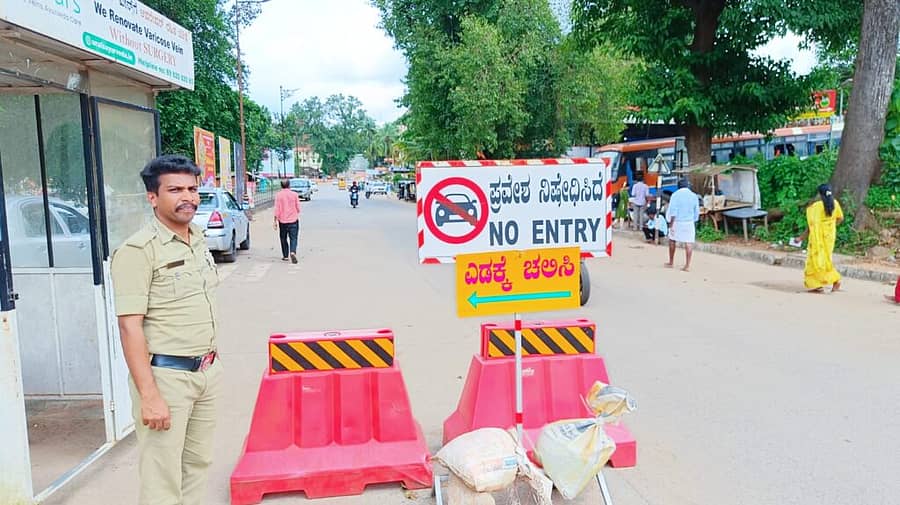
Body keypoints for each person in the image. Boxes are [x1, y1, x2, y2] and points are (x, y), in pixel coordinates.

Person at [110, 155, 222, 505]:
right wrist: (150, 395)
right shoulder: (137, 251)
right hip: (166, 379)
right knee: (162, 478)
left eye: (191, 188)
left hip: (206, 372)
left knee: (196, 466)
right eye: (174, 189)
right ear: (153, 198)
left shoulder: (198, 239)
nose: (186, 196)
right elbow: (130, 328)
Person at [796, 184, 843, 293]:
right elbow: (840, 218)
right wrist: (831, 226)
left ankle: (835, 280)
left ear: (820, 194)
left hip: (817, 238)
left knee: (816, 261)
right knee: (826, 259)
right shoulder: (835, 203)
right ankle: (818, 285)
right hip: (829, 237)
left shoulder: (816, 207)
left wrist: (800, 238)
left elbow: (811, 226)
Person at [665, 178, 700, 271]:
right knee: (689, 243)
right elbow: (696, 211)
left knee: (672, 240)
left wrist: (670, 224)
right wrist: (694, 220)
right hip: (689, 222)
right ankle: (687, 265)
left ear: (678, 186)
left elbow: (673, 211)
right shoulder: (693, 196)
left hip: (677, 222)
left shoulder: (675, 195)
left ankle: (671, 262)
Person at [274, 179, 301, 263]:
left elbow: (277, 209)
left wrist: (275, 220)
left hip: (282, 221)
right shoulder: (294, 195)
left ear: (281, 186)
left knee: (283, 238)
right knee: (293, 238)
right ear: (289, 185)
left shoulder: (278, 195)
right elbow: (298, 208)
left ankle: (285, 256)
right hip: (293, 220)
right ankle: (292, 252)